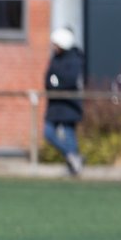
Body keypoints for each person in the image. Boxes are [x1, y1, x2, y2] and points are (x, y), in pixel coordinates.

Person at [43, 26, 86, 176]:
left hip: (69, 104)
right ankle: (73, 157)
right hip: (55, 103)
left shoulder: (74, 58)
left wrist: (57, 83)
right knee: (48, 132)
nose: (54, 47)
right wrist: (53, 84)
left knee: (68, 134)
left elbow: (69, 80)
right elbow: (48, 78)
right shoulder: (55, 58)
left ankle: (73, 165)